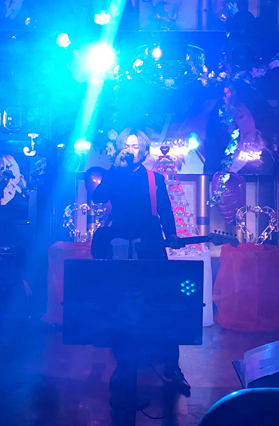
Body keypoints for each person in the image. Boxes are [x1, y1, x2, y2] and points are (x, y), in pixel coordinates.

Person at [90, 128, 190, 404]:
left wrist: (172, 233)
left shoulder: (155, 179)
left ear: (144, 151)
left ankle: (172, 368)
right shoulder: (115, 175)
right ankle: (123, 369)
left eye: (135, 146)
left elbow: (165, 210)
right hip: (120, 247)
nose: (130, 149)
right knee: (120, 306)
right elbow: (98, 198)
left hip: (150, 245)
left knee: (164, 303)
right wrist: (115, 169)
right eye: (126, 145)